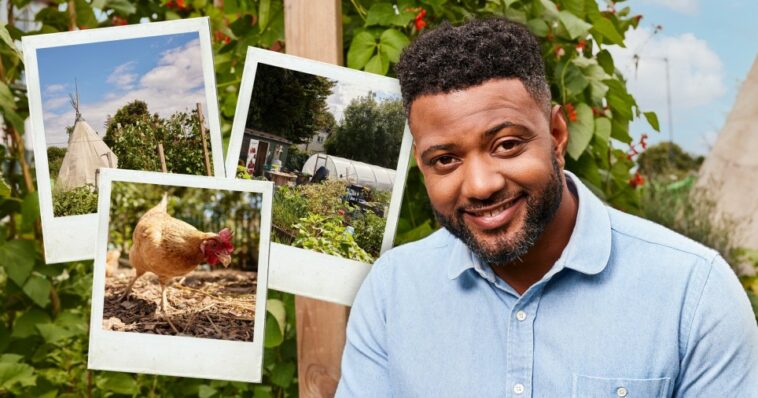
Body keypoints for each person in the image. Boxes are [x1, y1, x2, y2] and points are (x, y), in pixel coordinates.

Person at [335, 18, 757, 397]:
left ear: (557, 135)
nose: (481, 185)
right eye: (445, 160)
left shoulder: (693, 294)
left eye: (506, 145)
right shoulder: (392, 292)